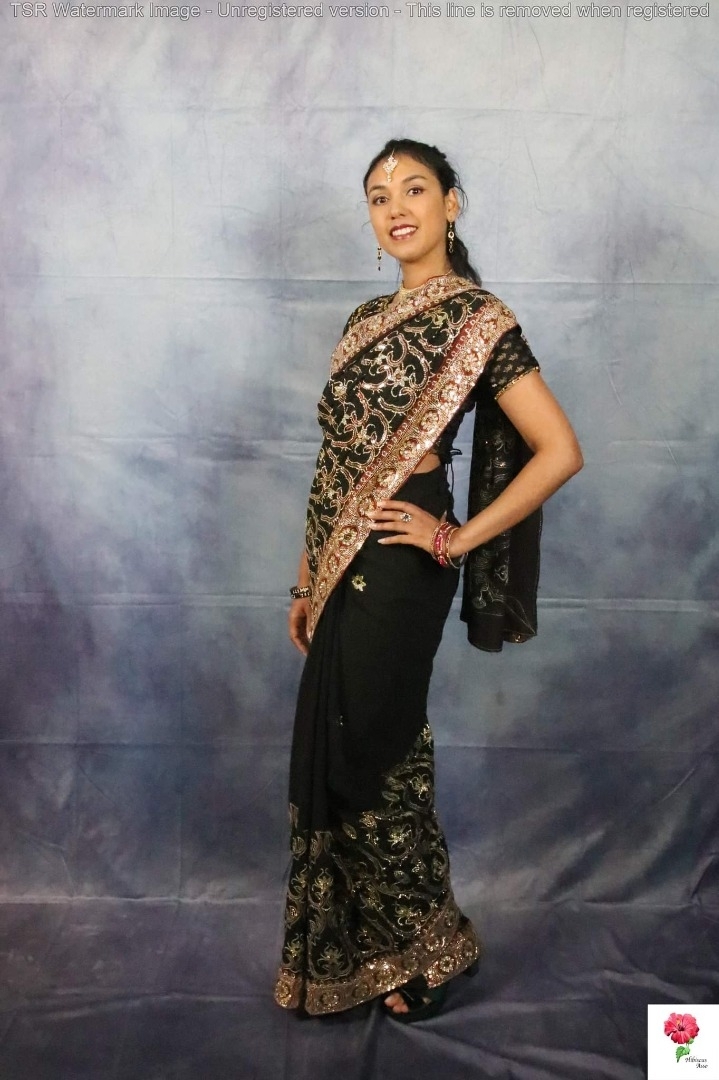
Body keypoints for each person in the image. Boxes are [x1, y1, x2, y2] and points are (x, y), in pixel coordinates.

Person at [273, 139, 583, 1022]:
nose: (396, 207)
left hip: (403, 567)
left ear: (451, 204)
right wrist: (305, 576)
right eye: (379, 196)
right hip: (338, 564)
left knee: (375, 753)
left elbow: (558, 450)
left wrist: (453, 538)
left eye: (414, 189)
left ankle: (433, 948)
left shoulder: (479, 321)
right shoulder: (364, 319)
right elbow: (336, 462)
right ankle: (364, 952)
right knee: (337, 757)